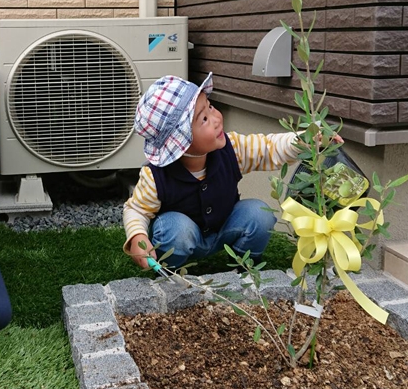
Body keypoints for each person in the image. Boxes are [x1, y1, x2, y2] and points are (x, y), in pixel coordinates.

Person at [123, 72, 301, 270]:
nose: (216, 118)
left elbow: (268, 148)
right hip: (182, 237)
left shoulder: (232, 149)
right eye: (204, 119)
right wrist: (137, 237)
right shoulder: (155, 177)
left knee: (259, 213)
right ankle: (170, 270)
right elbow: (136, 210)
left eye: (210, 106)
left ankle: (244, 267)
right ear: (181, 143)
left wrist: (305, 140)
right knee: (176, 228)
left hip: (225, 228)